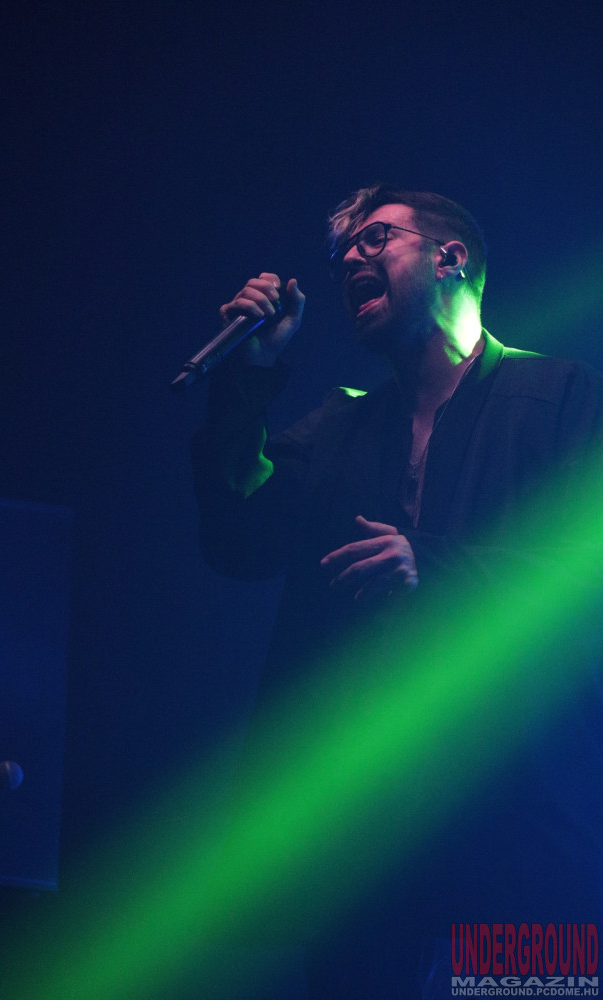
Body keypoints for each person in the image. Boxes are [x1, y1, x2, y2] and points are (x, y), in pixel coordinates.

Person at [190, 184, 603, 999]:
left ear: (451, 258)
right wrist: (246, 375)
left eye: (377, 238)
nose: (350, 256)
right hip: (365, 841)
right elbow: (238, 541)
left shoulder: (562, 396)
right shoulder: (339, 427)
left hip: (523, 821)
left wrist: (433, 567)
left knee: (526, 987)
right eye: (343, 250)